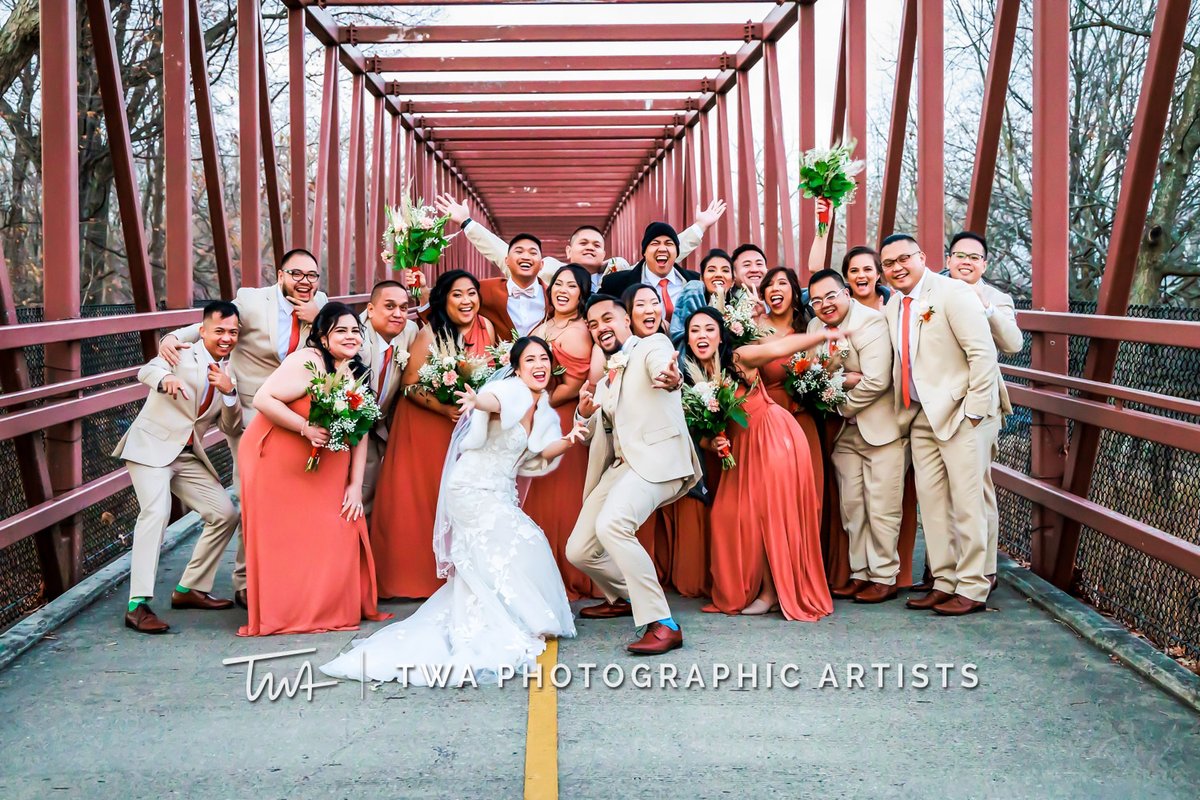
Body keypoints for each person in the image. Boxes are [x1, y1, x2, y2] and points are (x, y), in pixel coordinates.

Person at [321, 338, 585, 684]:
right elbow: (493, 403)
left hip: (497, 490)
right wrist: (477, 400)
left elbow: (541, 451)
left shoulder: (543, 408)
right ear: (517, 368)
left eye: (544, 359)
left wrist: (572, 437)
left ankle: (508, 617)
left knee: (504, 553)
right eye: (530, 359)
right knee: (520, 542)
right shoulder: (510, 391)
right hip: (472, 489)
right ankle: (515, 621)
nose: (539, 365)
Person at [157, 248, 329, 608]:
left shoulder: (321, 303)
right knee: (253, 498)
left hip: (297, 419)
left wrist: (322, 316)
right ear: (280, 275)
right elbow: (208, 326)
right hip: (251, 416)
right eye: (296, 274)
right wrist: (172, 337)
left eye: (312, 275)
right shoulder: (252, 302)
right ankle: (245, 582)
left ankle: (287, 576)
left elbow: (349, 335)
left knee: (292, 500)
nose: (305, 282)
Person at [237, 303, 392, 636]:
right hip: (276, 459)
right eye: (341, 330)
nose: (350, 337)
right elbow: (263, 399)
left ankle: (324, 606)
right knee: (287, 536)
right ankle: (287, 612)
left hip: (325, 465)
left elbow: (360, 429)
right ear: (323, 336)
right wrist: (304, 427)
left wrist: (355, 484)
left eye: (355, 330)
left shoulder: (353, 371)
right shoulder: (307, 362)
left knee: (337, 525)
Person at [567, 294, 701, 655]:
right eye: (593, 324)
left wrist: (671, 378)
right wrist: (582, 414)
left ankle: (663, 623)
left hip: (658, 459)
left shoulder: (652, 345)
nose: (600, 328)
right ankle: (627, 598)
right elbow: (595, 434)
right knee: (578, 550)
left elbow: (665, 371)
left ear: (627, 320)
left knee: (613, 525)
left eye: (607, 318)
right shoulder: (608, 377)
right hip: (623, 466)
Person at [687, 307, 837, 620]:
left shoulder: (739, 358)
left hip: (771, 436)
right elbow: (699, 434)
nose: (702, 335)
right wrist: (711, 442)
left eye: (709, 329)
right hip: (740, 451)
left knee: (769, 515)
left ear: (721, 335)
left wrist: (822, 335)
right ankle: (750, 586)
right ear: (687, 339)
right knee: (726, 515)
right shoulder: (692, 379)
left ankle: (772, 592)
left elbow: (778, 348)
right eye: (695, 330)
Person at [880, 233, 999, 616]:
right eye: (888, 263)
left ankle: (973, 587)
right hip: (920, 416)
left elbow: (982, 353)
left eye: (904, 259)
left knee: (967, 503)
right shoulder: (895, 304)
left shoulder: (953, 293)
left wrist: (975, 411)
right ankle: (945, 581)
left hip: (962, 413)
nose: (896, 267)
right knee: (933, 505)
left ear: (923, 256)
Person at [115, 302, 244, 633]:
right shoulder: (184, 351)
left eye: (233, 332)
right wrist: (166, 380)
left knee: (225, 513)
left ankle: (190, 589)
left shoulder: (232, 371)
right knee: (156, 512)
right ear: (203, 332)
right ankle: (138, 604)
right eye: (220, 331)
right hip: (151, 447)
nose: (227, 338)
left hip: (186, 455)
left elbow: (231, 428)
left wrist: (229, 394)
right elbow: (147, 370)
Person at [370, 270, 496, 600]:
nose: (467, 300)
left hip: (468, 425)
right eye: (457, 294)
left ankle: (462, 570)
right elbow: (410, 384)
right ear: (443, 299)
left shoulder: (488, 328)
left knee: (461, 496)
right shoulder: (430, 334)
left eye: (472, 293)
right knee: (422, 496)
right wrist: (443, 409)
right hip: (427, 424)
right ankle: (413, 578)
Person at [807, 270, 905, 603]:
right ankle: (860, 573)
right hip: (843, 436)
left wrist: (842, 407)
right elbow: (811, 375)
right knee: (852, 507)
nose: (824, 305)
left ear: (846, 293)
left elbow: (877, 380)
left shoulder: (871, 323)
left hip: (881, 429)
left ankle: (884, 575)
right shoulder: (813, 329)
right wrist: (844, 381)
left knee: (882, 506)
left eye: (830, 296)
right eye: (816, 300)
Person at [436, 193, 727, 290]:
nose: (590, 247)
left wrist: (699, 226)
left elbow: (658, 258)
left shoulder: (620, 271)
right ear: (568, 251)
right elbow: (506, 255)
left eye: (597, 244)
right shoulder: (550, 270)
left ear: (605, 252)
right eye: (583, 243)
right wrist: (466, 222)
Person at [756, 266, 841, 583]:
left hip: (801, 421)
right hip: (765, 425)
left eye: (782, 283)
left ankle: (803, 575)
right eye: (769, 284)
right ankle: (772, 579)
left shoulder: (810, 329)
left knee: (806, 499)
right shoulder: (753, 330)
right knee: (770, 503)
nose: (775, 288)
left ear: (794, 291)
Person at [946, 230, 1020, 587]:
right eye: (959, 255)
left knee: (977, 490)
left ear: (984, 264)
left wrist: (984, 307)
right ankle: (943, 569)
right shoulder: (936, 292)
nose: (965, 262)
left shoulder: (996, 297)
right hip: (939, 403)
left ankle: (984, 570)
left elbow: (1014, 343)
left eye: (974, 257)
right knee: (944, 492)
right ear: (948, 260)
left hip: (980, 404)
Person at [526, 264, 600, 600]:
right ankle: (541, 570)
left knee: (564, 497)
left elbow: (575, 382)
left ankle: (571, 572)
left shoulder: (583, 330)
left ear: (582, 294)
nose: (563, 289)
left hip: (565, 418)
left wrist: (537, 401)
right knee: (538, 494)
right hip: (539, 419)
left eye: (572, 285)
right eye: (558, 283)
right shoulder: (541, 326)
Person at [358, 280, 420, 517]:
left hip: (379, 427)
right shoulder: (356, 336)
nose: (398, 314)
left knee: (370, 498)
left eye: (404, 308)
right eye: (390, 306)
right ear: (370, 310)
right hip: (345, 427)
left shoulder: (410, 331)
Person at [599, 222, 700, 328]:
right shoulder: (616, 284)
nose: (662, 249)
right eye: (655, 243)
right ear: (644, 252)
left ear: (677, 252)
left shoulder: (696, 282)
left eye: (669, 243)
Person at [670, 249, 737, 343]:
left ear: (733, 281)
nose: (718, 274)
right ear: (702, 278)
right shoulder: (693, 292)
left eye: (725, 270)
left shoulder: (739, 310)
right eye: (711, 270)